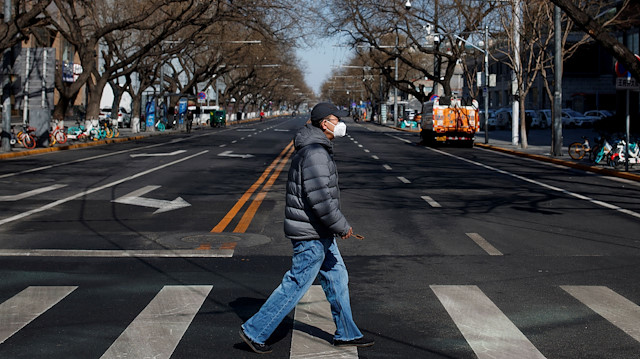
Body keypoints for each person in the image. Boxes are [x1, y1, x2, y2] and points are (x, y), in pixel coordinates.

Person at [239, 102, 374, 354]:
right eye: (337, 119)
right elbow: (320, 198)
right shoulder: (315, 153)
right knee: (296, 283)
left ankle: (346, 333)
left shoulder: (317, 148)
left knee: (337, 278)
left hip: (319, 232)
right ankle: (255, 330)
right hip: (311, 233)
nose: (341, 124)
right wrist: (342, 226)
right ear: (325, 123)